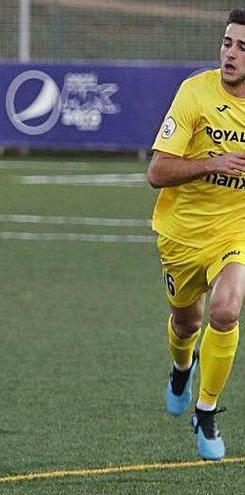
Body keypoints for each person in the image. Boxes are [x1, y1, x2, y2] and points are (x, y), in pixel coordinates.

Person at [147, 8, 245, 462]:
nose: (231, 54)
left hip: (235, 230)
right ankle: (181, 367)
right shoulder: (195, 93)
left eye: (243, 48)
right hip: (182, 235)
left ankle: (205, 411)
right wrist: (213, 162)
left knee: (225, 311)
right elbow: (157, 171)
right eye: (228, 43)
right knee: (187, 322)